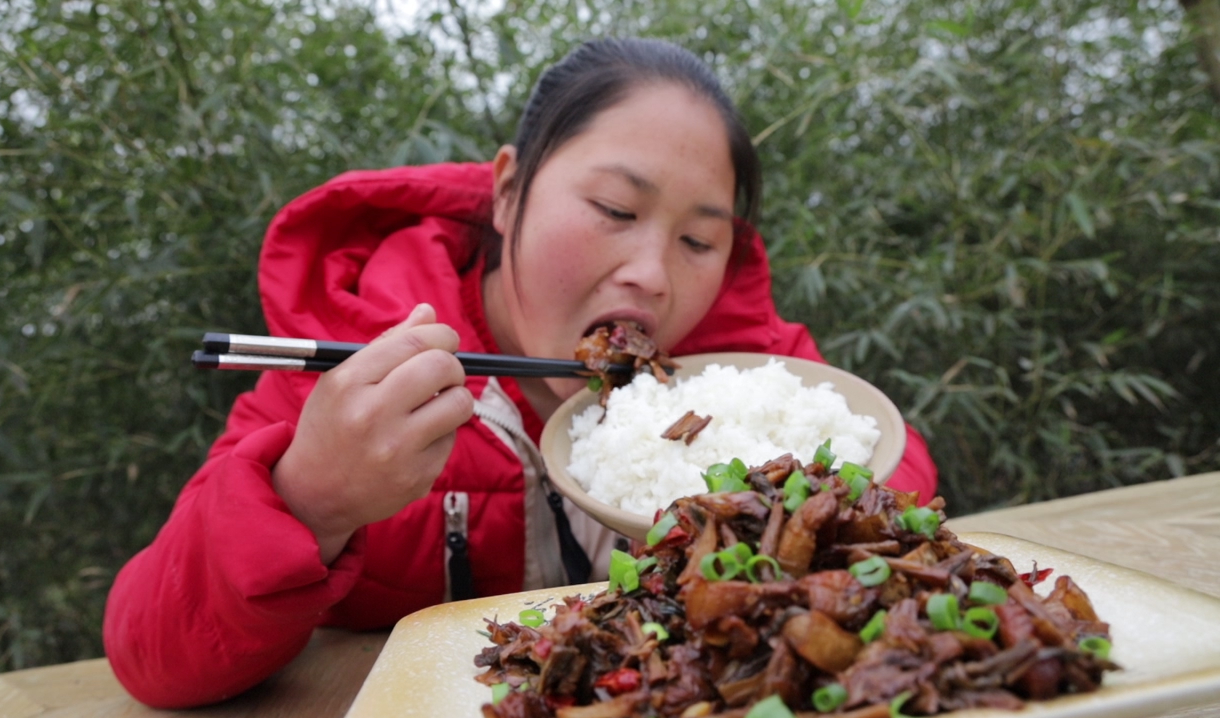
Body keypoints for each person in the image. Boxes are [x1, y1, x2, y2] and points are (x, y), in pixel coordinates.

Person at [103, 37, 938, 708]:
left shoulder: (746, 365)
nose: (653, 274)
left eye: (698, 240)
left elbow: (901, 481)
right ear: (508, 192)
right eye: (615, 209)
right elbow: (154, 654)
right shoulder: (354, 364)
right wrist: (309, 502)